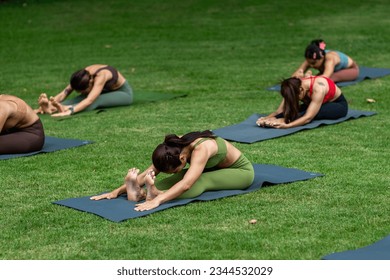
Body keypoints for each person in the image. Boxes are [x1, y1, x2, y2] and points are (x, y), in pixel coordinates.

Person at [90, 130, 255, 211]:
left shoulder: (201, 149)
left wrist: (157, 201)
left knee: (198, 180)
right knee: (161, 181)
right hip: (212, 169)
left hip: (241, 173)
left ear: (183, 160)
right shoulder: (173, 148)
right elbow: (151, 172)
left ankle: (154, 194)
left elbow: (186, 185)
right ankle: (145, 192)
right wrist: (117, 191)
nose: (174, 173)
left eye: (174, 171)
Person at [34, 64, 133, 117]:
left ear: (90, 82)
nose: (81, 93)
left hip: (123, 93)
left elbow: (90, 100)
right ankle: (52, 108)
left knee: (95, 100)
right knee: (79, 99)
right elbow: (65, 93)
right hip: (105, 91)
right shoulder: (82, 76)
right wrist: (47, 105)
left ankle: (64, 108)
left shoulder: (101, 76)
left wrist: (71, 111)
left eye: (82, 90)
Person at [256, 75, 348, 129]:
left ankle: (285, 120)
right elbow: (280, 110)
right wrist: (268, 118)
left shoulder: (318, 89)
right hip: (317, 103)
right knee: (297, 109)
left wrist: (288, 124)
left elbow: (308, 118)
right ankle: (279, 119)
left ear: (301, 90)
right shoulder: (292, 88)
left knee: (313, 112)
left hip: (338, 105)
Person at [292, 39, 359, 83]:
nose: (311, 65)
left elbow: (325, 77)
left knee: (323, 80)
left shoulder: (330, 58)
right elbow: (295, 75)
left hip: (351, 70)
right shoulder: (311, 59)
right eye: (309, 63)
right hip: (332, 71)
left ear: (322, 58)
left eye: (314, 63)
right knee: (313, 80)